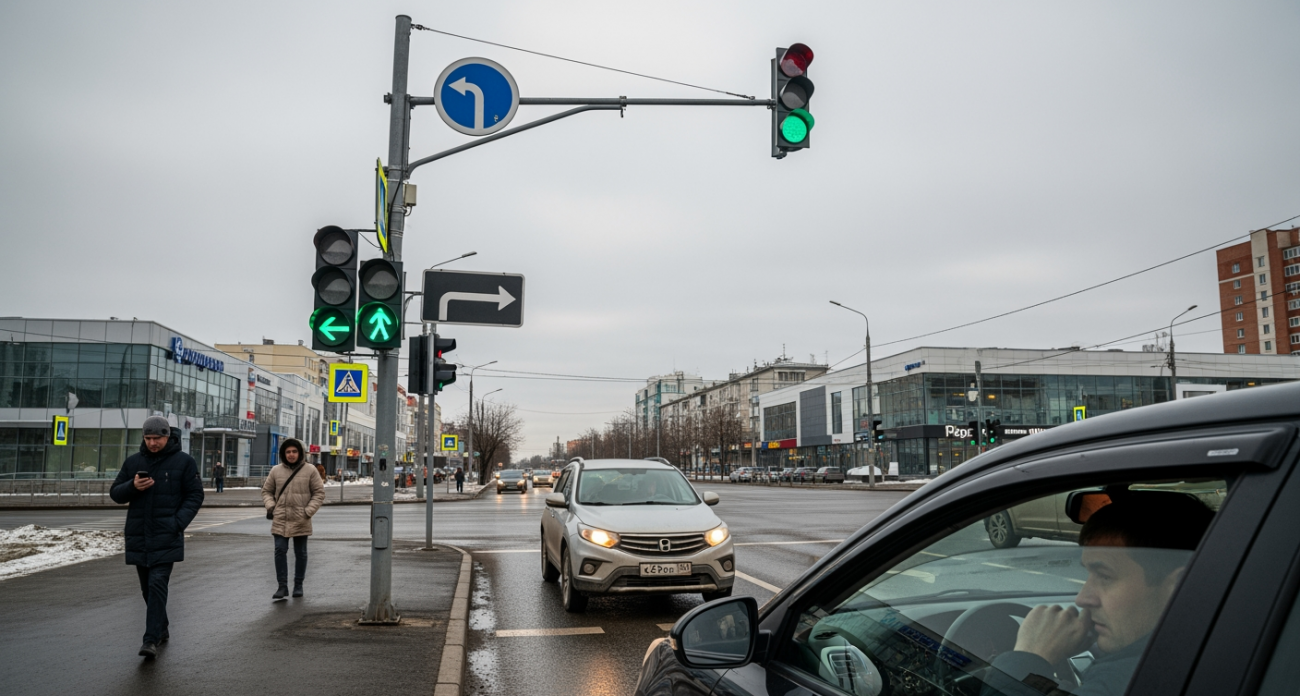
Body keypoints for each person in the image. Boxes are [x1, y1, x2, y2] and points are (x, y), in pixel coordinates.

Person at [984, 494, 1215, 696]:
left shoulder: (1127, 680)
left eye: (1104, 576)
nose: (1082, 598)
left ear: (1181, 585)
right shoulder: (1204, 653)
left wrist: (1028, 657)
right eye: (1087, 574)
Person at [109, 416, 204, 659]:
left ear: (167, 436)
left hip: (166, 535)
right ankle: (161, 627)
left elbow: (195, 496)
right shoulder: (133, 462)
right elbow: (115, 494)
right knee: (146, 589)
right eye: (148, 438)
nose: (152, 443)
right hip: (139, 535)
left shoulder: (184, 462)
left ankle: (150, 640)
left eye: (157, 438)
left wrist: (177, 523)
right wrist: (133, 486)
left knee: (157, 584)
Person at [260, 438, 324, 600]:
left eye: (294, 451)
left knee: (300, 553)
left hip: (301, 518)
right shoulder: (276, 470)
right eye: (288, 452)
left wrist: (308, 511)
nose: (291, 454)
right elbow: (266, 491)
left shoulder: (310, 470)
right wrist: (271, 506)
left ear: (300, 453)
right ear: (283, 454)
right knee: (280, 550)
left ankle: (298, 585)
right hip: (280, 517)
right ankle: (282, 587)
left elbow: (319, 493)